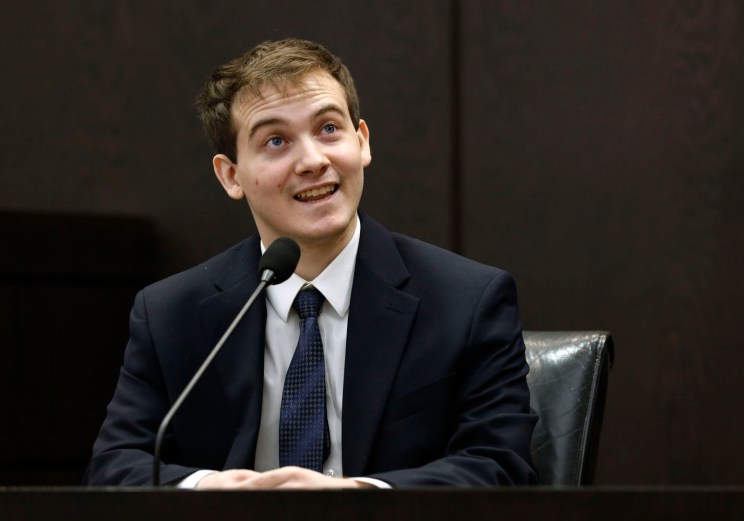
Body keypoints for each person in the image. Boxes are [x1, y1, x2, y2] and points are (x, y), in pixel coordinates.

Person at [84, 38, 537, 489]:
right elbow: (114, 468)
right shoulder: (170, 313)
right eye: (276, 140)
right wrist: (209, 491)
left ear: (361, 143)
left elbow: (500, 465)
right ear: (231, 175)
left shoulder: (466, 300)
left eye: (328, 129)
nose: (313, 160)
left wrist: (356, 498)